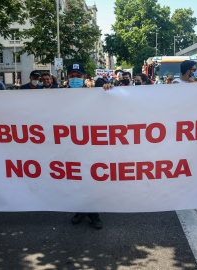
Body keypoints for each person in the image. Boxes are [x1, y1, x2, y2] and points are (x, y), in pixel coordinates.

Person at [67, 62, 112, 229]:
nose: (76, 79)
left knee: (92, 180)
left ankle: (93, 214)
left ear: (85, 77)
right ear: (67, 78)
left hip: (91, 144)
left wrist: (108, 89)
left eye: (79, 76)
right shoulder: (58, 96)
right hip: (70, 144)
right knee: (76, 180)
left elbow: (110, 106)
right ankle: (80, 210)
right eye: (72, 76)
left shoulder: (96, 93)